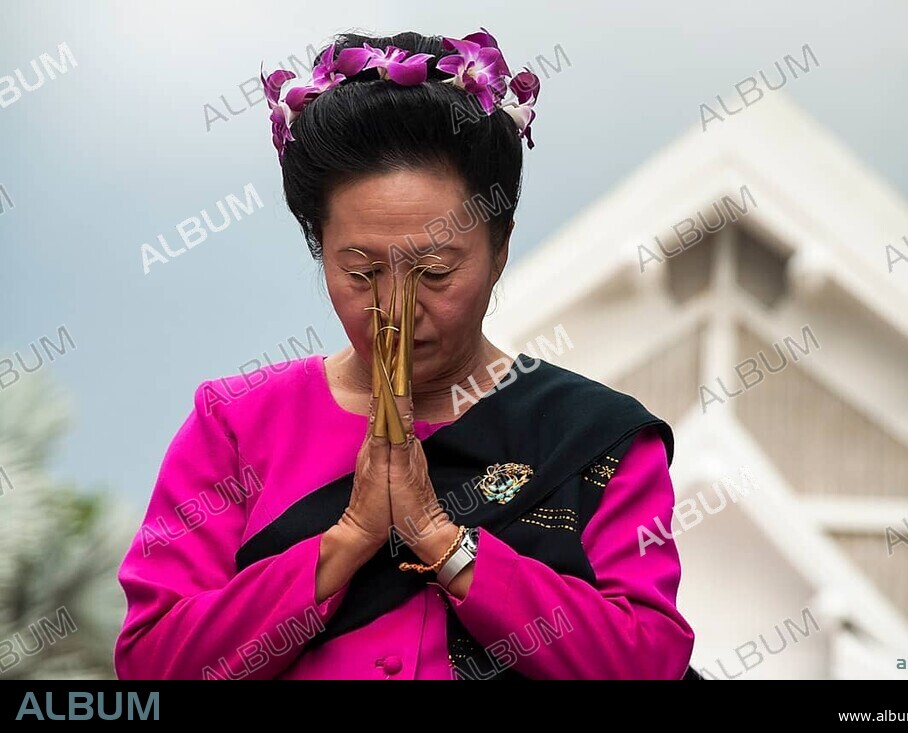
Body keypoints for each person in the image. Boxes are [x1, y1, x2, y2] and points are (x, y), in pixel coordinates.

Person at [113, 28, 696, 680]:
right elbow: (152, 666)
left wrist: (441, 538)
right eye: (361, 273)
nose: (395, 309)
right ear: (319, 250)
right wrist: (350, 537)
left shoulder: (595, 438)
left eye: (436, 272)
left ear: (499, 251)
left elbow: (649, 660)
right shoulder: (234, 426)